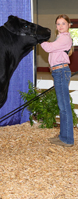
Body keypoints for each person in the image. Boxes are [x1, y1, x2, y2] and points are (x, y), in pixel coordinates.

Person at [41, 14, 74, 147]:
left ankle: (68, 140)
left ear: (69, 25)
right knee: (63, 106)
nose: (60, 26)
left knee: (64, 106)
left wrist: (39, 38)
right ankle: (63, 137)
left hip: (61, 72)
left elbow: (48, 48)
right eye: (58, 24)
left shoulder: (65, 38)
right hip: (57, 71)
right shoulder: (60, 38)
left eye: (63, 23)